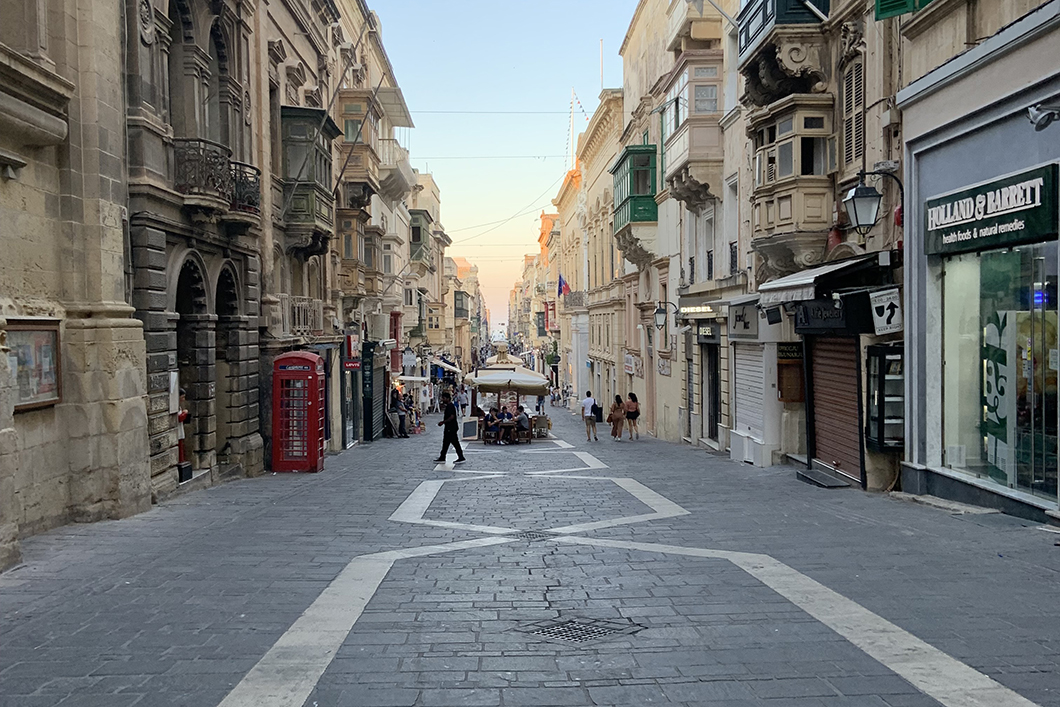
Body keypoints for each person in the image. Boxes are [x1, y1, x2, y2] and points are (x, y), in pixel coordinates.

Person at [434, 391, 466, 463]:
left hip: (451, 428)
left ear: (448, 398)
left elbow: (452, 416)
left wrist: (443, 422)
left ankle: (460, 456)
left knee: (455, 443)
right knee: (446, 443)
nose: (442, 400)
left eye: (444, 398)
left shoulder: (450, 406)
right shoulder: (449, 406)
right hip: (449, 427)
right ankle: (442, 456)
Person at [177, 388, 189, 464]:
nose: (183, 399)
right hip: (178, 430)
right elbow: (179, 418)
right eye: (182, 397)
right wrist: (185, 413)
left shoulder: (179, 406)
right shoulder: (176, 407)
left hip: (180, 430)